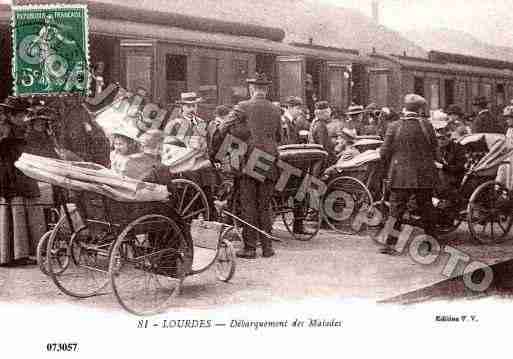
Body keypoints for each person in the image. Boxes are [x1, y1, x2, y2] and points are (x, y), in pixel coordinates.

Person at [227, 73, 281, 259]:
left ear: (251, 89)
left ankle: (250, 248)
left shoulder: (243, 106)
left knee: (249, 204)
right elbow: (279, 136)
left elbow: (224, 127)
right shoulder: (275, 109)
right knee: (264, 206)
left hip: (250, 158)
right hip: (270, 160)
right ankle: (267, 248)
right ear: (266, 90)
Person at [379, 94, 438, 255]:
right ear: (419, 109)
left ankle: (390, 245)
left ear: (404, 109)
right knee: (426, 208)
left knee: (396, 210)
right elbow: (435, 149)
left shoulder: (394, 126)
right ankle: (432, 243)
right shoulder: (427, 126)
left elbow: (384, 152)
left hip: (400, 175)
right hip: (424, 175)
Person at [0, 98, 44, 266]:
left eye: (24, 115)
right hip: (10, 173)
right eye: (20, 115)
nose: (23, 118)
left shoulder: (18, 129)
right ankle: (11, 255)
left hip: (21, 172)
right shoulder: (6, 130)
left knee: (24, 208)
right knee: (13, 208)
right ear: (11, 115)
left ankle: (22, 253)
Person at [309, 101, 336, 165]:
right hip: (321, 161)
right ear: (324, 113)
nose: (329, 115)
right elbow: (324, 146)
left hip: (315, 158)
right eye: (329, 112)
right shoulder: (321, 125)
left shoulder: (315, 122)